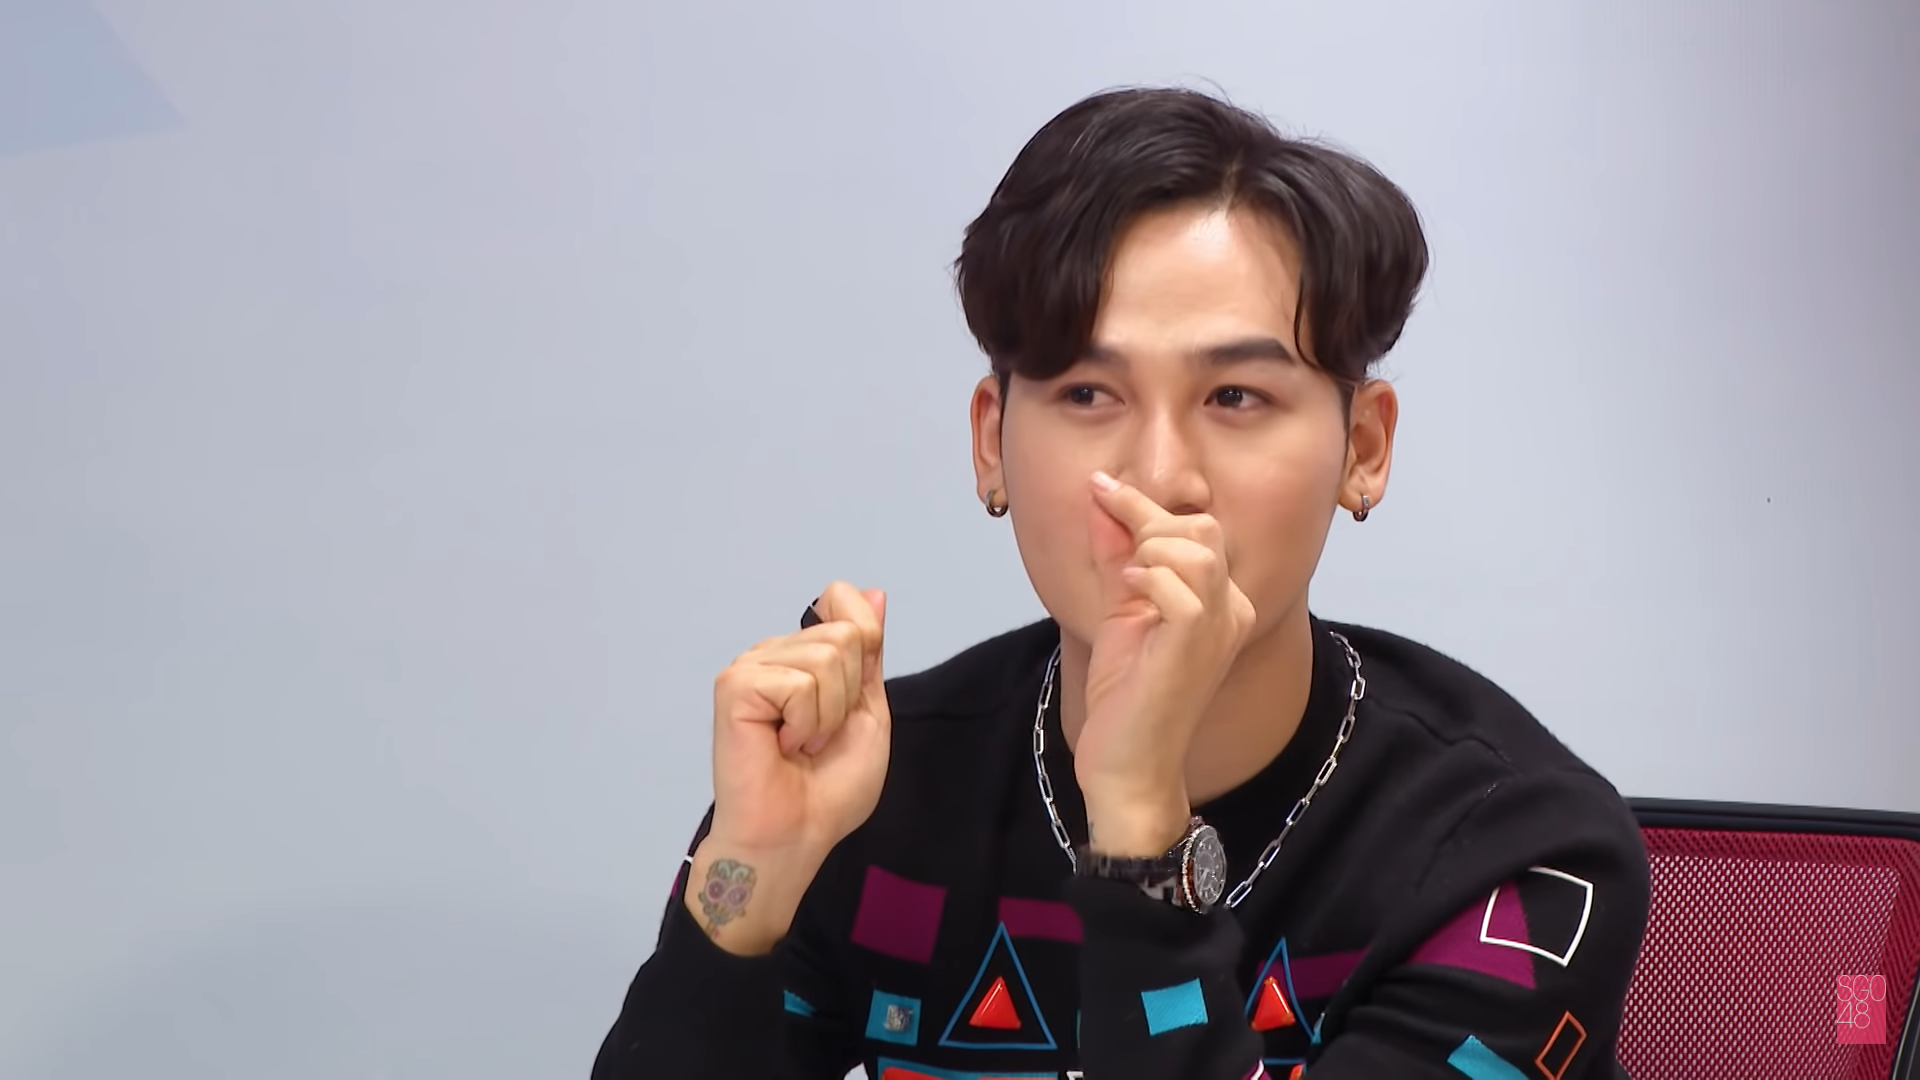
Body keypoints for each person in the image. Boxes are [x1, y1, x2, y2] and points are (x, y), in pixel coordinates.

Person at [591, 85, 1650, 1080]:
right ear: (992, 445)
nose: (1160, 477)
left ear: (1363, 449)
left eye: (1235, 397)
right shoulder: (865, 792)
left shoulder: (1518, 861)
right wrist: (751, 879)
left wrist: (1141, 828)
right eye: (1088, 394)